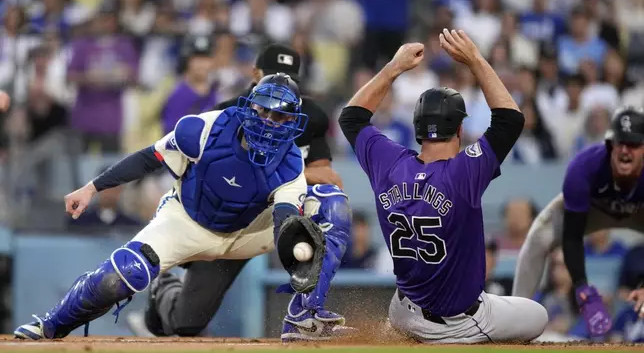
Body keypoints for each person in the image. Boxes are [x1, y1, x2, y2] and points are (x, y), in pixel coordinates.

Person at [14, 73, 319, 340]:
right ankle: (51, 325)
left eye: (280, 117)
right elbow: (148, 158)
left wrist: (296, 253)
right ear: (249, 106)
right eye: (264, 110)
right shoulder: (203, 130)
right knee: (115, 280)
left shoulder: (292, 166)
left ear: (293, 122)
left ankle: (310, 315)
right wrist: (92, 187)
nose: (268, 123)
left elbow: (285, 220)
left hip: (249, 234)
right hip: (187, 219)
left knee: (326, 212)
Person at [126, 43, 352, 341]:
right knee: (186, 324)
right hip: (231, 222)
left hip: (278, 218)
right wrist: (303, 175)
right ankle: (165, 289)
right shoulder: (227, 113)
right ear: (255, 74)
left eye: (289, 77)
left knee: (331, 202)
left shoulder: (311, 115)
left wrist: (302, 182)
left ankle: (307, 313)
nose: (281, 85)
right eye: (273, 75)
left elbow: (328, 177)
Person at [337, 29, 547, 343]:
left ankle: (393, 333)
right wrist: (475, 60)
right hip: (454, 325)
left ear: (417, 127)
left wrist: (394, 68)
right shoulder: (464, 172)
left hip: (404, 310)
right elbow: (510, 119)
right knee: (538, 316)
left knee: (412, 307)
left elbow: (352, 117)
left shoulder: (389, 163)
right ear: (461, 127)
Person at [512, 106, 644, 338]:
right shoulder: (585, 166)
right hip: (594, 207)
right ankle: (512, 322)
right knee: (539, 236)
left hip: (640, 210)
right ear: (609, 144)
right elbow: (572, 236)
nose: (625, 150)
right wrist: (583, 289)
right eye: (620, 142)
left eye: (633, 144)